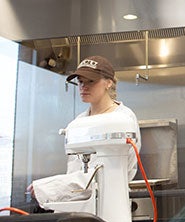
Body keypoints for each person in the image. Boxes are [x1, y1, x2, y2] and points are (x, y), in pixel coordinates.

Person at [28, 55, 141, 205]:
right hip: (79, 204)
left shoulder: (122, 119)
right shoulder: (79, 122)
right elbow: (74, 171)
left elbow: (104, 176)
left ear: (109, 83)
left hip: (109, 204)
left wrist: (49, 189)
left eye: (91, 81)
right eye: (80, 81)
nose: (83, 86)